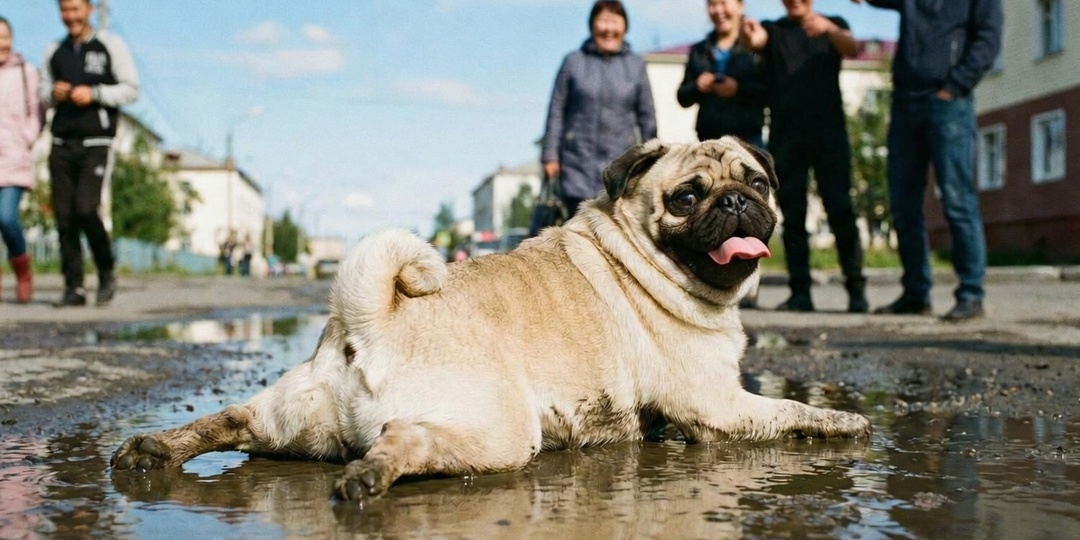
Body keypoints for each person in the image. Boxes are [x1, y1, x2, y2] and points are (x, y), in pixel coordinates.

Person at [853, 0, 1002, 321]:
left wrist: (955, 86)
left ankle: (971, 293)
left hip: (948, 104)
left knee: (957, 198)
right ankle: (916, 293)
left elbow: (988, 41)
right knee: (904, 202)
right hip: (906, 104)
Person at [744, 0, 868, 313]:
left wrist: (828, 29)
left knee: (841, 209)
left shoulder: (834, 23)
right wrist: (749, 35)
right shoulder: (774, 30)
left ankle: (856, 291)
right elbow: (755, 41)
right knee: (794, 215)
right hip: (787, 136)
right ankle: (801, 293)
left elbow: (853, 48)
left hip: (830, 134)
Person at [41, 0, 140, 307]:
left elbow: (131, 89)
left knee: (86, 209)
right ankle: (74, 287)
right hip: (61, 141)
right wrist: (52, 94)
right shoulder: (53, 50)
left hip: (96, 140)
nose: (70, 16)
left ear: (90, 9)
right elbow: (42, 95)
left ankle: (106, 271)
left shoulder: (110, 45)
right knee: (65, 216)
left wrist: (94, 93)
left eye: (76, 9)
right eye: (64, 10)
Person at [677, 0, 768, 309]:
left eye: (725, 2)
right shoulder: (700, 49)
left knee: (751, 215)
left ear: (740, 5)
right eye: (712, 4)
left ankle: (750, 283)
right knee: (715, 216)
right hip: (708, 147)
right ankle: (717, 276)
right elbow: (682, 96)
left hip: (748, 142)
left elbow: (770, 90)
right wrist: (697, 85)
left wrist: (737, 88)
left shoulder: (755, 43)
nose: (719, 10)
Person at [541, 0, 657, 217]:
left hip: (621, 166)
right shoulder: (573, 62)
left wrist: (651, 158)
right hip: (576, 165)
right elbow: (556, 111)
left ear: (625, 27)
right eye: (603, 21)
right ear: (592, 25)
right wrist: (550, 156)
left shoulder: (635, 65)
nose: (608, 29)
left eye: (615, 21)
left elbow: (647, 116)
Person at [0, 17, 44, 304]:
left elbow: (37, 111)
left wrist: (25, 138)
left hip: (13, 158)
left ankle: (23, 271)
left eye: (4, 37)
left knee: (6, 217)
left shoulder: (26, 72)